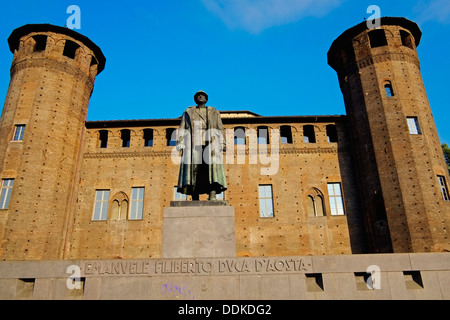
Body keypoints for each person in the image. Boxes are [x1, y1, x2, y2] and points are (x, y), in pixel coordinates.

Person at [176, 91, 227, 200]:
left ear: (206, 99)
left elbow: (220, 128)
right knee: (195, 169)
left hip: (210, 142)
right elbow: (182, 128)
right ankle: (195, 194)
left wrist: (222, 142)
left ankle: (212, 193)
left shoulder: (214, 112)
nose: (201, 96)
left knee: (210, 170)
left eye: (203, 95)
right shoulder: (188, 112)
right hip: (193, 143)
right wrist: (180, 142)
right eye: (198, 95)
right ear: (195, 99)